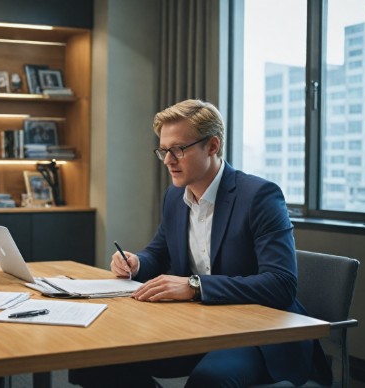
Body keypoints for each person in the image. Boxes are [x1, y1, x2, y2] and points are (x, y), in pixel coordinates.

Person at [69, 99, 331, 387]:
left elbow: (281, 284)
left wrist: (195, 286)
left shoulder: (259, 197)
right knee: (94, 359)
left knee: (209, 380)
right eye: (164, 150)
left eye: (178, 149)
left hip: (257, 333)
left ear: (213, 146)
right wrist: (137, 262)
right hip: (196, 326)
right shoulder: (174, 197)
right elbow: (159, 252)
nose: (168, 160)